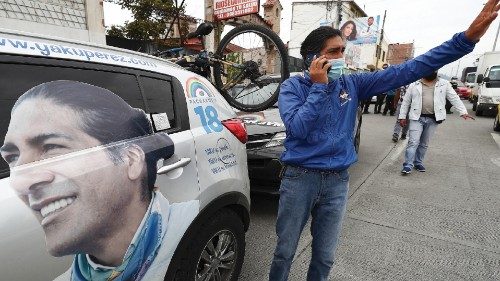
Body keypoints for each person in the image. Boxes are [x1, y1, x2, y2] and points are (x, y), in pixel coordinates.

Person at [269, 1, 498, 280]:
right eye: (334, 52)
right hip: (300, 179)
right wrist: (319, 87)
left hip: (337, 181)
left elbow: (410, 69)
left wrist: (465, 40)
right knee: (285, 251)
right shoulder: (293, 88)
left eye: (343, 50)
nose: (341, 57)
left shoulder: (352, 84)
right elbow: (298, 128)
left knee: (325, 257)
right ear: (311, 59)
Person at [0, 80, 199, 281]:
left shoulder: (193, 218)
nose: (20, 182)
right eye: (12, 158)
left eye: (51, 147)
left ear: (130, 160)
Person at [398, 72, 474, 174]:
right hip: (417, 118)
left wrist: (463, 112)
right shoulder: (414, 84)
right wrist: (402, 116)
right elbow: (406, 101)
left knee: (424, 143)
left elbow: (454, 98)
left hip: (433, 119)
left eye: (434, 70)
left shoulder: (444, 83)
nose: (432, 72)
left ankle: (418, 162)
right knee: (413, 142)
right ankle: (408, 165)